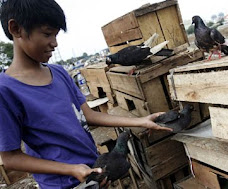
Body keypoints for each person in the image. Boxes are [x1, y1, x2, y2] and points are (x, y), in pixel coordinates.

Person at [0, 0, 172, 188]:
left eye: (56, 35)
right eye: (47, 34)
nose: (54, 43)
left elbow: (89, 115)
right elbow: (10, 158)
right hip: (62, 184)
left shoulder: (59, 73)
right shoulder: (5, 90)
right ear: (16, 29)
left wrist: (141, 121)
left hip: (92, 172)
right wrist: (72, 169)